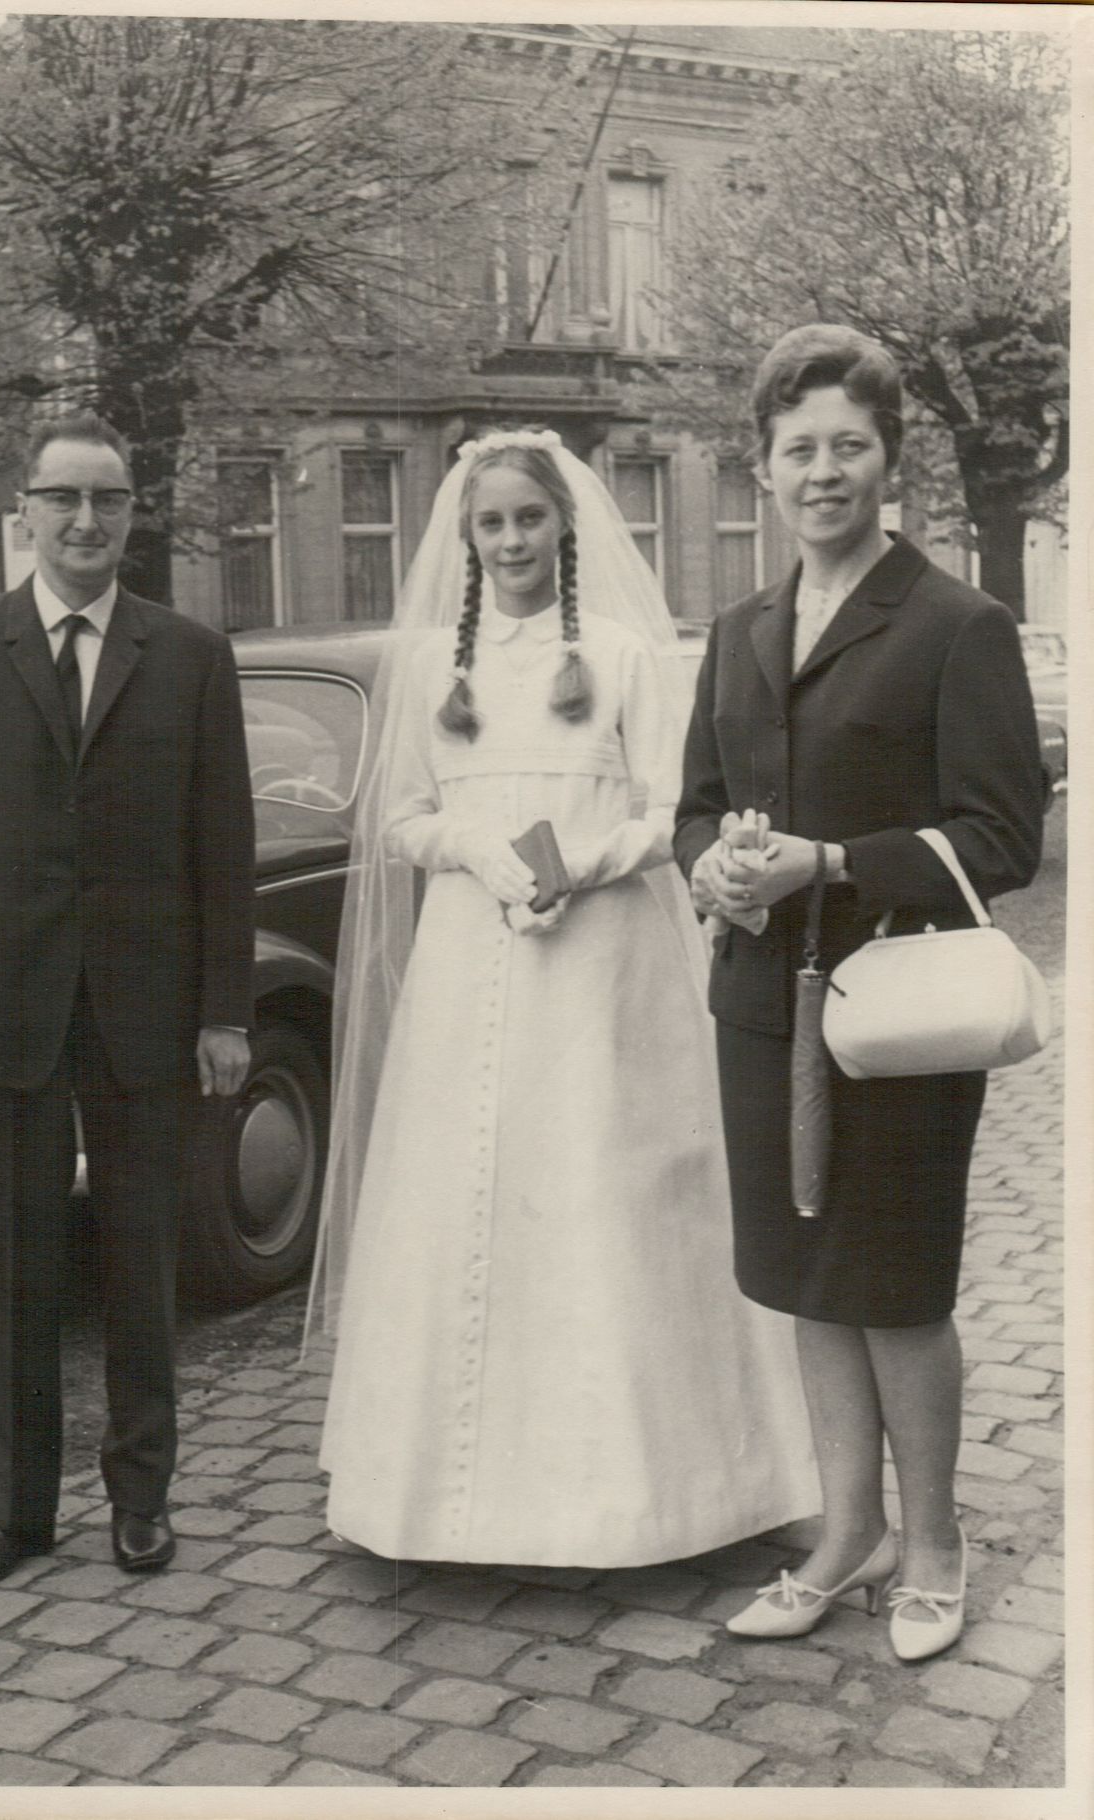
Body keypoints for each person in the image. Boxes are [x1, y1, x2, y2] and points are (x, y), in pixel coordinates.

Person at [308, 427, 820, 1567]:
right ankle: (445, 1499)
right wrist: (481, 854)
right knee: (472, 1193)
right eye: (489, 524)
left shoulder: (629, 657)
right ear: (466, 535)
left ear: (563, 525)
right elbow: (398, 815)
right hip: (468, 954)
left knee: (603, 1189)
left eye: (527, 520)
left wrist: (582, 860)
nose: (509, 542)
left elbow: (669, 806)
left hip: (602, 967)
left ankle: (650, 1493)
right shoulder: (442, 664)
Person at [674, 326, 1043, 1661]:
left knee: (895, 1286)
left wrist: (830, 863)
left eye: (847, 447)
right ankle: (846, 1535)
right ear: (763, 471)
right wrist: (713, 867)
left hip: (896, 1018)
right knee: (806, 1283)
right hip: (762, 1008)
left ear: (889, 461)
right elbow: (694, 813)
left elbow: (1000, 838)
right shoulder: (737, 630)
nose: (822, 472)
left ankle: (933, 1543)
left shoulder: (955, 624)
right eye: (797, 451)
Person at [0, 412, 255, 1591]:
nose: (86, 521)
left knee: (143, 1267)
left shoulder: (190, 656)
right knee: (16, 1269)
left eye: (109, 500)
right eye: (65, 499)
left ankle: (141, 1499)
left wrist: (224, 1010)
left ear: (132, 514)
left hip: (147, 1015)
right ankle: (18, 1511)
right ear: (25, 513)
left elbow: (222, 848)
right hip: (5, 1019)